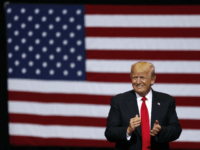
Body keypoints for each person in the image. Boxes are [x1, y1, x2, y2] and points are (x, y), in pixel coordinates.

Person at [105, 62, 182, 150]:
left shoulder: (167, 101)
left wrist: (161, 131)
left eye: (142, 77)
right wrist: (128, 130)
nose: (138, 82)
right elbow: (109, 133)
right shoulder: (118, 101)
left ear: (152, 79)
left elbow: (176, 130)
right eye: (135, 77)